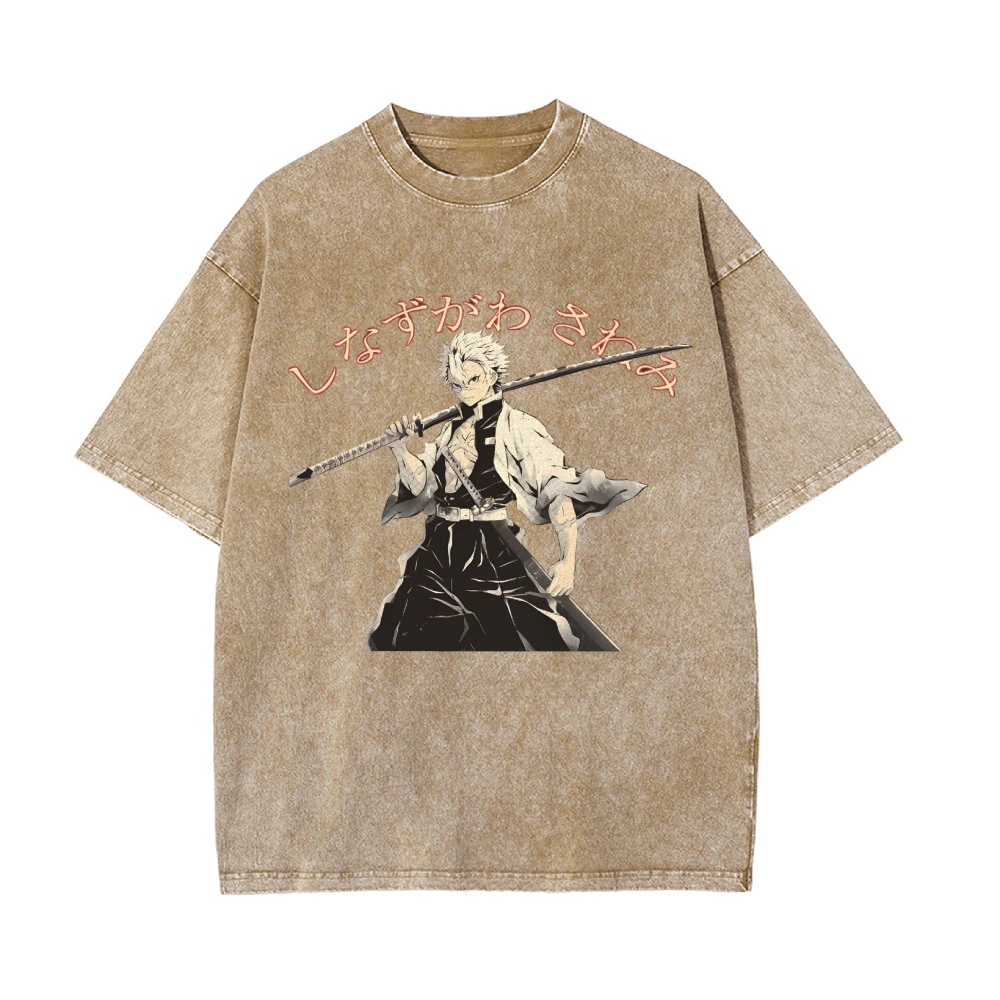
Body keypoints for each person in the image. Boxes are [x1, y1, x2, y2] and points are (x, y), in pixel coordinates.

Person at [368, 330, 645, 650]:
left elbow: (556, 492)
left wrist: (567, 561)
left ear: (490, 375)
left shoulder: (518, 427)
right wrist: (400, 449)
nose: (465, 392)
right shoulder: (449, 429)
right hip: (437, 544)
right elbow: (421, 485)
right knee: (403, 632)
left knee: (506, 635)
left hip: (486, 548)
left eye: (472, 380)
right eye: (457, 385)